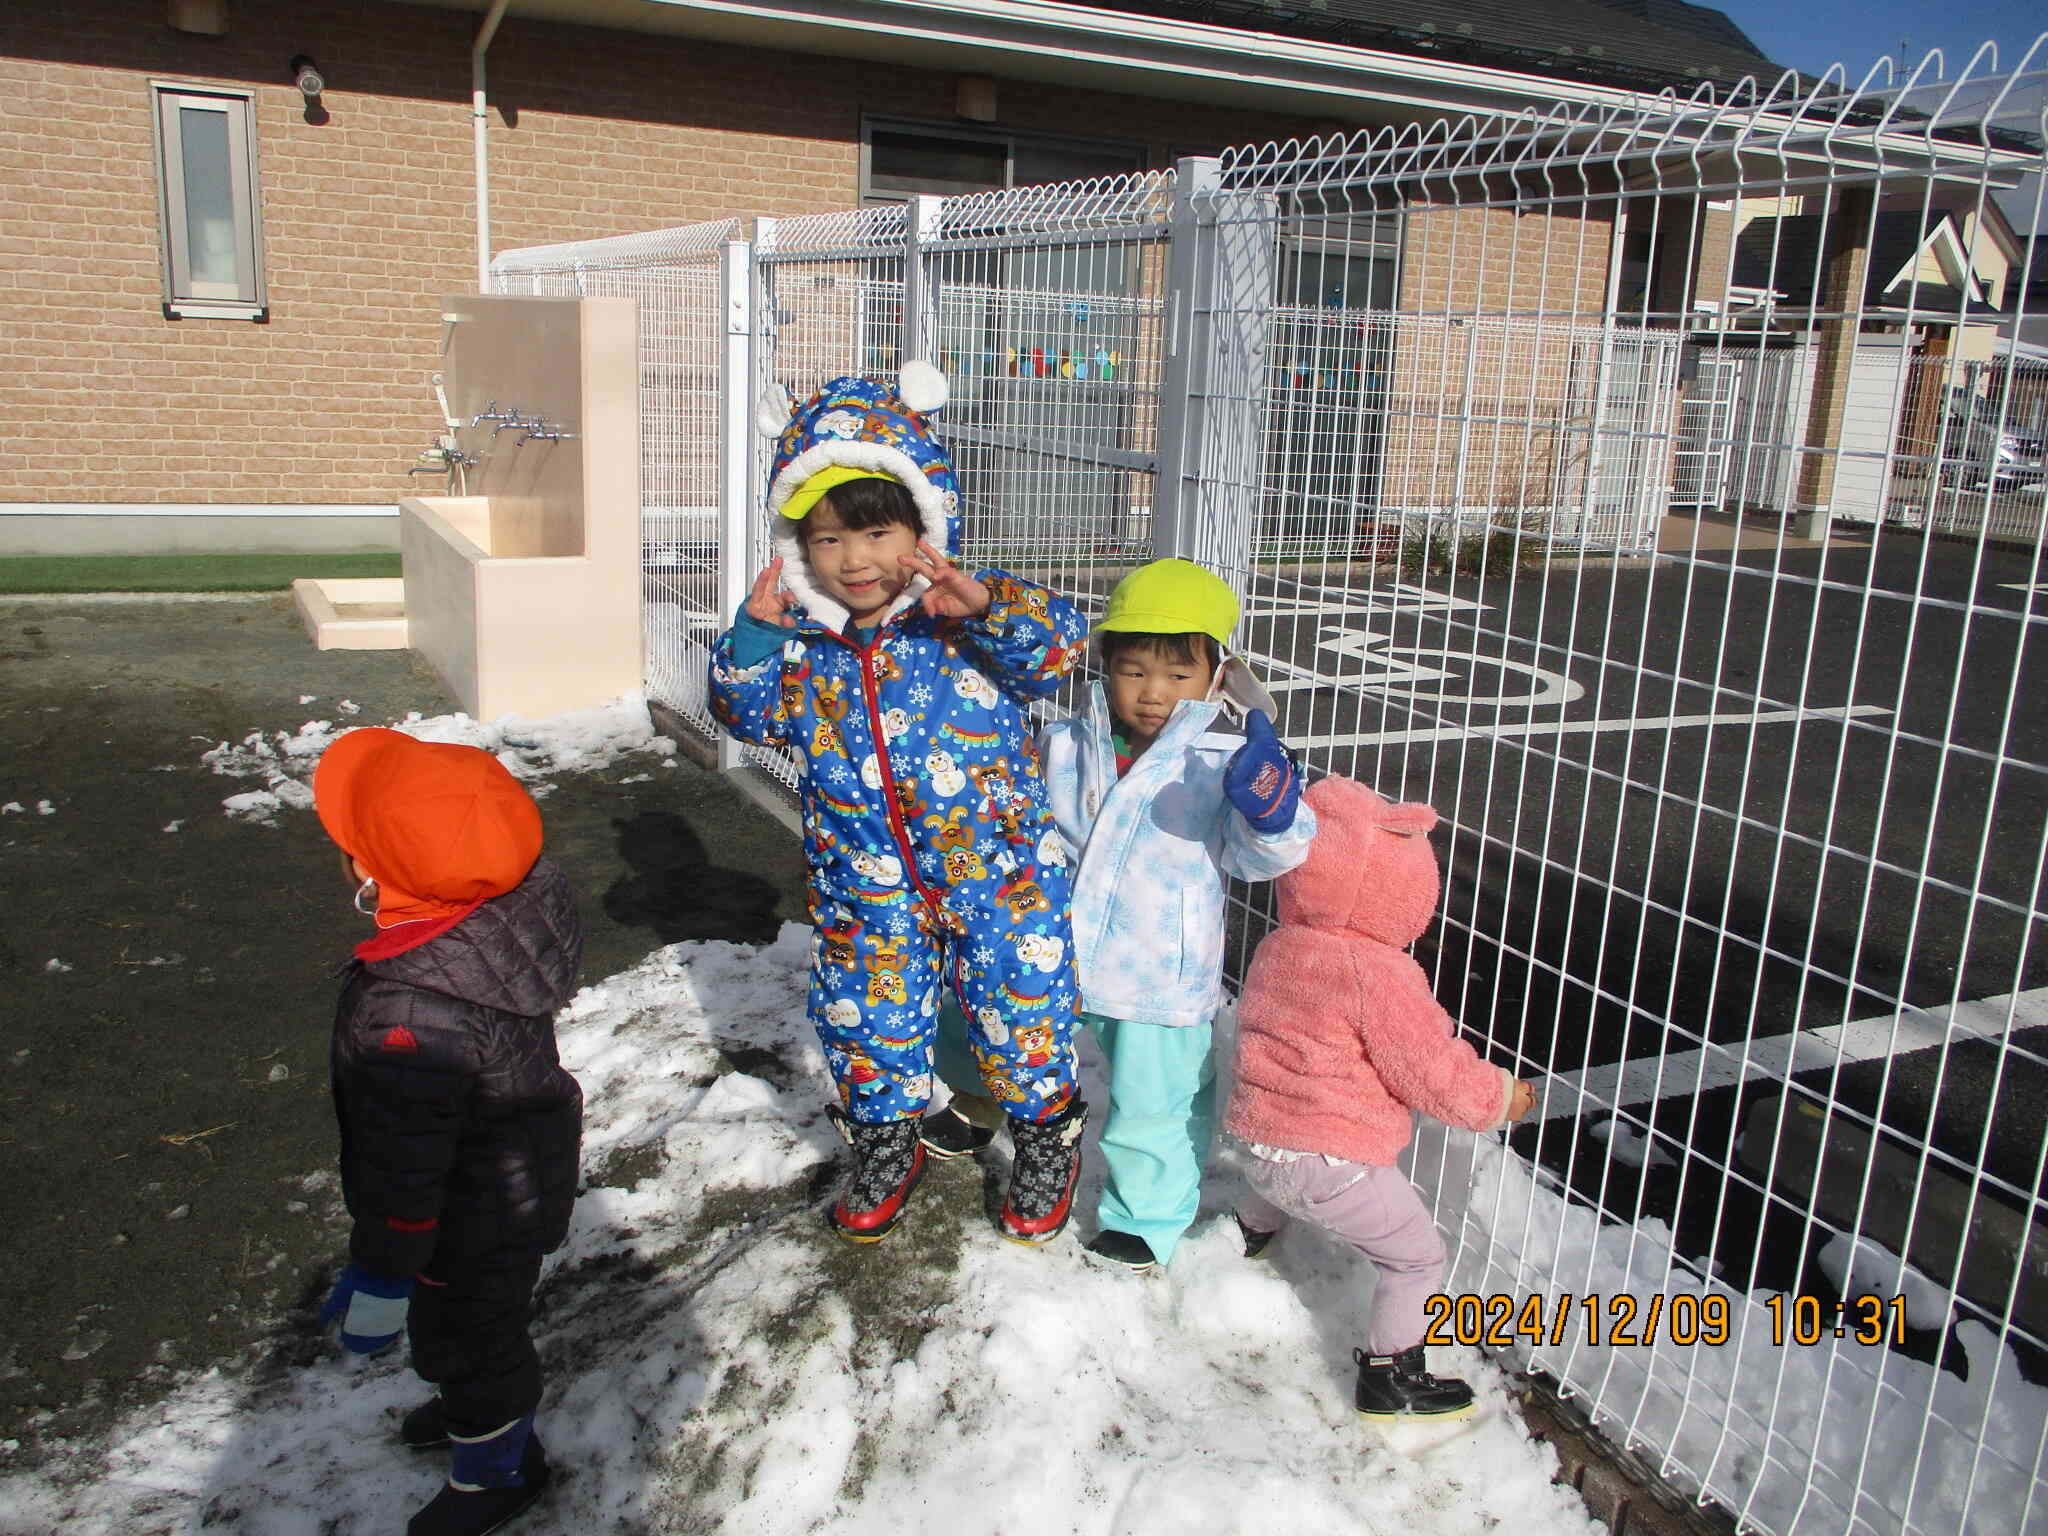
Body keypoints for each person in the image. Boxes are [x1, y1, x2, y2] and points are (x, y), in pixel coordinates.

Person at [707, 364, 1093, 1246]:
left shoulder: (962, 612)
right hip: (862, 886)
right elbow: (742, 710)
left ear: (921, 525)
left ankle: (1045, 1140)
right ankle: (885, 1142)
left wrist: (988, 608)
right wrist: (756, 635)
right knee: (865, 1021)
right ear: (797, 544)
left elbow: (1059, 651)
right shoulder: (803, 641)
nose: (854, 560)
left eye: (876, 531)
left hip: (997, 878)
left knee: (1021, 1008)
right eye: (828, 539)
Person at [921, 558, 1317, 1275]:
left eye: (1177, 675)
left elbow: (1264, 858)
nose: (1154, 694)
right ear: (1105, 666)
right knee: (982, 1023)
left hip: (1156, 974)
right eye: (1135, 671)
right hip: (1048, 950)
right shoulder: (1068, 743)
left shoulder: (1223, 761)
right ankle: (978, 1106)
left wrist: (1273, 811)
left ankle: (1145, 1217)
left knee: (1154, 1104)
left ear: (1218, 677)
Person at [311, 727, 583, 1536]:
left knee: (468, 1338)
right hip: (519, 1167)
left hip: (468, 1208)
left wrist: (385, 1269)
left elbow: (405, 1167)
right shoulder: (508, 910)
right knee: (476, 1323)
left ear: (370, 870)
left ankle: (498, 1468)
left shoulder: (406, 1017)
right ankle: (478, 1409)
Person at [1223, 776, 1537, 1422]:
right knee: (1417, 1256)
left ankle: (1245, 1234)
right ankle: (1392, 1374)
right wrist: (1496, 1097)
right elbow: (1429, 1066)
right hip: (1330, 1164)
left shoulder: (1281, 946)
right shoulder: (1381, 972)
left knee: (1287, 1150)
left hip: (1258, 1145)